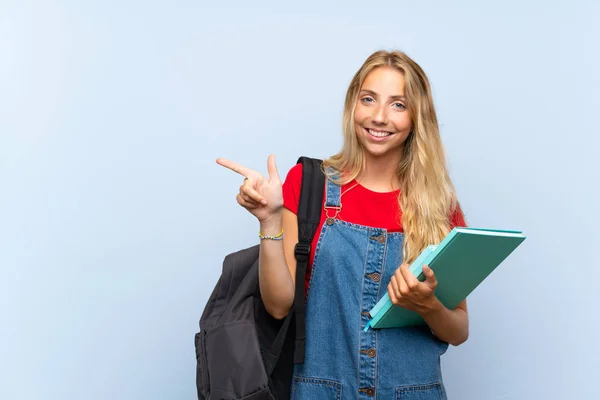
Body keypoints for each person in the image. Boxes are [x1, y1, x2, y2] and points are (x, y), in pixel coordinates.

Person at [216, 50, 469, 399]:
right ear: (353, 106)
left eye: (398, 104)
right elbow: (277, 306)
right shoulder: (308, 184)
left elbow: (458, 330)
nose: (379, 117)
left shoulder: (439, 204)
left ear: (416, 118)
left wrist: (428, 306)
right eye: (369, 99)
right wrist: (269, 220)